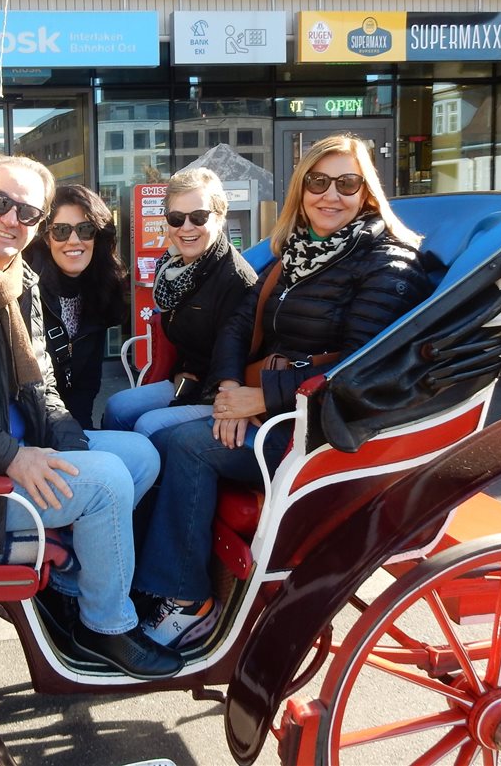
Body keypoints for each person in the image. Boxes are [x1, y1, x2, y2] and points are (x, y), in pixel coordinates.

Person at [0, 154, 183, 680]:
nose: (11, 219)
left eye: (27, 212)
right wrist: (15, 457)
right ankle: (105, 625)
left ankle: (70, 588)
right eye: (0, 203)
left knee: (139, 455)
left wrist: (72, 447)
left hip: (6, 455)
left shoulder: (19, 280)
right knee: (109, 482)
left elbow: (40, 385)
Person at [134, 133, 433, 651]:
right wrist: (230, 388)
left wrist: (264, 398)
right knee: (158, 438)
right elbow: (239, 324)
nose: (330, 195)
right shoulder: (292, 254)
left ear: (366, 193)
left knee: (182, 445)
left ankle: (189, 601)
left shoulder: (388, 262)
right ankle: (164, 573)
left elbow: (362, 364)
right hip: (279, 406)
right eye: (318, 182)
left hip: (325, 425)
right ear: (301, 189)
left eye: (347, 183)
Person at [102, 167, 256, 437]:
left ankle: (152, 476)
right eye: (176, 218)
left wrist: (188, 391)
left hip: (215, 392)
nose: (186, 227)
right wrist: (179, 376)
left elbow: (234, 357)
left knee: (147, 426)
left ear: (219, 218)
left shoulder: (235, 279)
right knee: (117, 405)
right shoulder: (173, 266)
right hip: (187, 377)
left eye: (199, 216)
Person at [23, 185, 127, 430]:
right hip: (30, 428)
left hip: (70, 425)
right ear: (47, 238)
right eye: (61, 230)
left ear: (96, 236)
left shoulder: (99, 290)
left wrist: (80, 436)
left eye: (85, 230)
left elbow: (87, 384)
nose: (73, 240)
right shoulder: (25, 289)